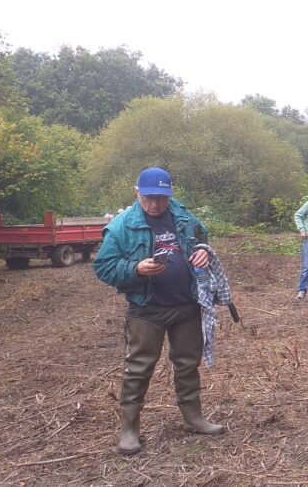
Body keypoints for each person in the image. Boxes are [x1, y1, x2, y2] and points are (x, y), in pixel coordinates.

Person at [93, 167, 225, 456]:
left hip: (187, 305)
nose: (155, 205)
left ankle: (193, 419)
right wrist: (135, 269)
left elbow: (202, 234)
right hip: (146, 309)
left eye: (161, 199)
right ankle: (129, 429)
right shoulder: (121, 226)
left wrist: (203, 248)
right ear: (136, 191)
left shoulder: (181, 214)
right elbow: (102, 267)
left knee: (188, 364)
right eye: (149, 198)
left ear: (171, 193)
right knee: (139, 369)